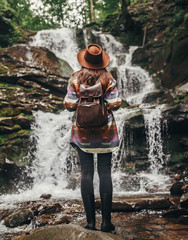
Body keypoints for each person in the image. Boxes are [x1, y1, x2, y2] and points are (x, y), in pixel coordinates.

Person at [64, 44, 122, 232]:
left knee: (86, 174)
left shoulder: (75, 78)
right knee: (105, 173)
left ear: (84, 61)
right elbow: (115, 103)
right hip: (106, 132)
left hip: (82, 134)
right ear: (100, 61)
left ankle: (90, 222)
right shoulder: (108, 78)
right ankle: (106, 223)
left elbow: (69, 105)